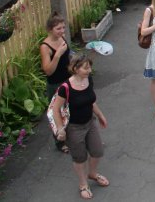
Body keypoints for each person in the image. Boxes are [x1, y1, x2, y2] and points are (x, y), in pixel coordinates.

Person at [49, 54, 109, 200]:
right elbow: (55, 109)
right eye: (86, 68)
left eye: (90, 67)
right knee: (80, 157)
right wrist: (60, 129)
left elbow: (91, 101)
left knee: (97, 151)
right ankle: (83, 184)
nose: (89, 70)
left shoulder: (88, 80)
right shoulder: (65, 88)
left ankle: (92, 174)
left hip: (90, 123)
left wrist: (100, 115)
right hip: (74, 128)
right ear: (75, 69)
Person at [39, 12, 72, 153]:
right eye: (58, 28)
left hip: (68, 80)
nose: (62, 31)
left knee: (71, 109)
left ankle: (73, 137)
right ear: (50, 29)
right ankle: (60, 142)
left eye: (63, 27)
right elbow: (48, 71)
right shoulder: (45, 47)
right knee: (57, 112)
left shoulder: (61, 38)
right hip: (56, 84)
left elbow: (67, 57)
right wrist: (57, 54)